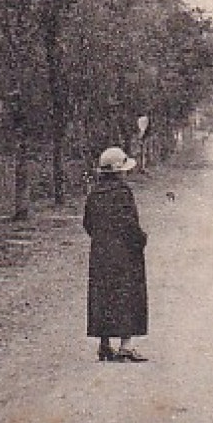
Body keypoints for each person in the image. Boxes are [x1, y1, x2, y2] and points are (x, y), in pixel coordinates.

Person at [84, 146, 148, 363]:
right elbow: (130, 224)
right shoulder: (123, 192)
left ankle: (104, 344)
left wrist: (101, 238)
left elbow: (88, 224)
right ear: (119, 171)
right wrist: (141, 239)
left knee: (102, 294)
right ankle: (126, 345)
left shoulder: (94, 192)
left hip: (100, 251)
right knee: (127, 294)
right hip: (123, 251)